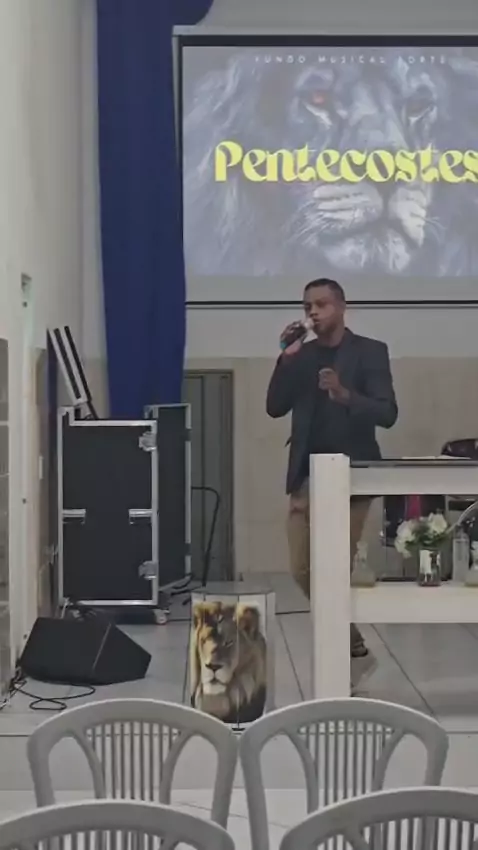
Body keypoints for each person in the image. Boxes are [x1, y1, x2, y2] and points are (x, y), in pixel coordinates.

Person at [266, 278, 398, 660]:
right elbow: (274, 407)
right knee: (301, 568)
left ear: (341, 307)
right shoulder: (301, 355)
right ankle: (351, 637)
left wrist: (344, 395)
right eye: (307, 306)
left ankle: (342, 656)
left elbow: (388, 413)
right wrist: (286, 358)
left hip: (351, 476)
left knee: (334, 569)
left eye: (322, 304)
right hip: (306, 476)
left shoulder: (370, 352)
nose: (313, 312)